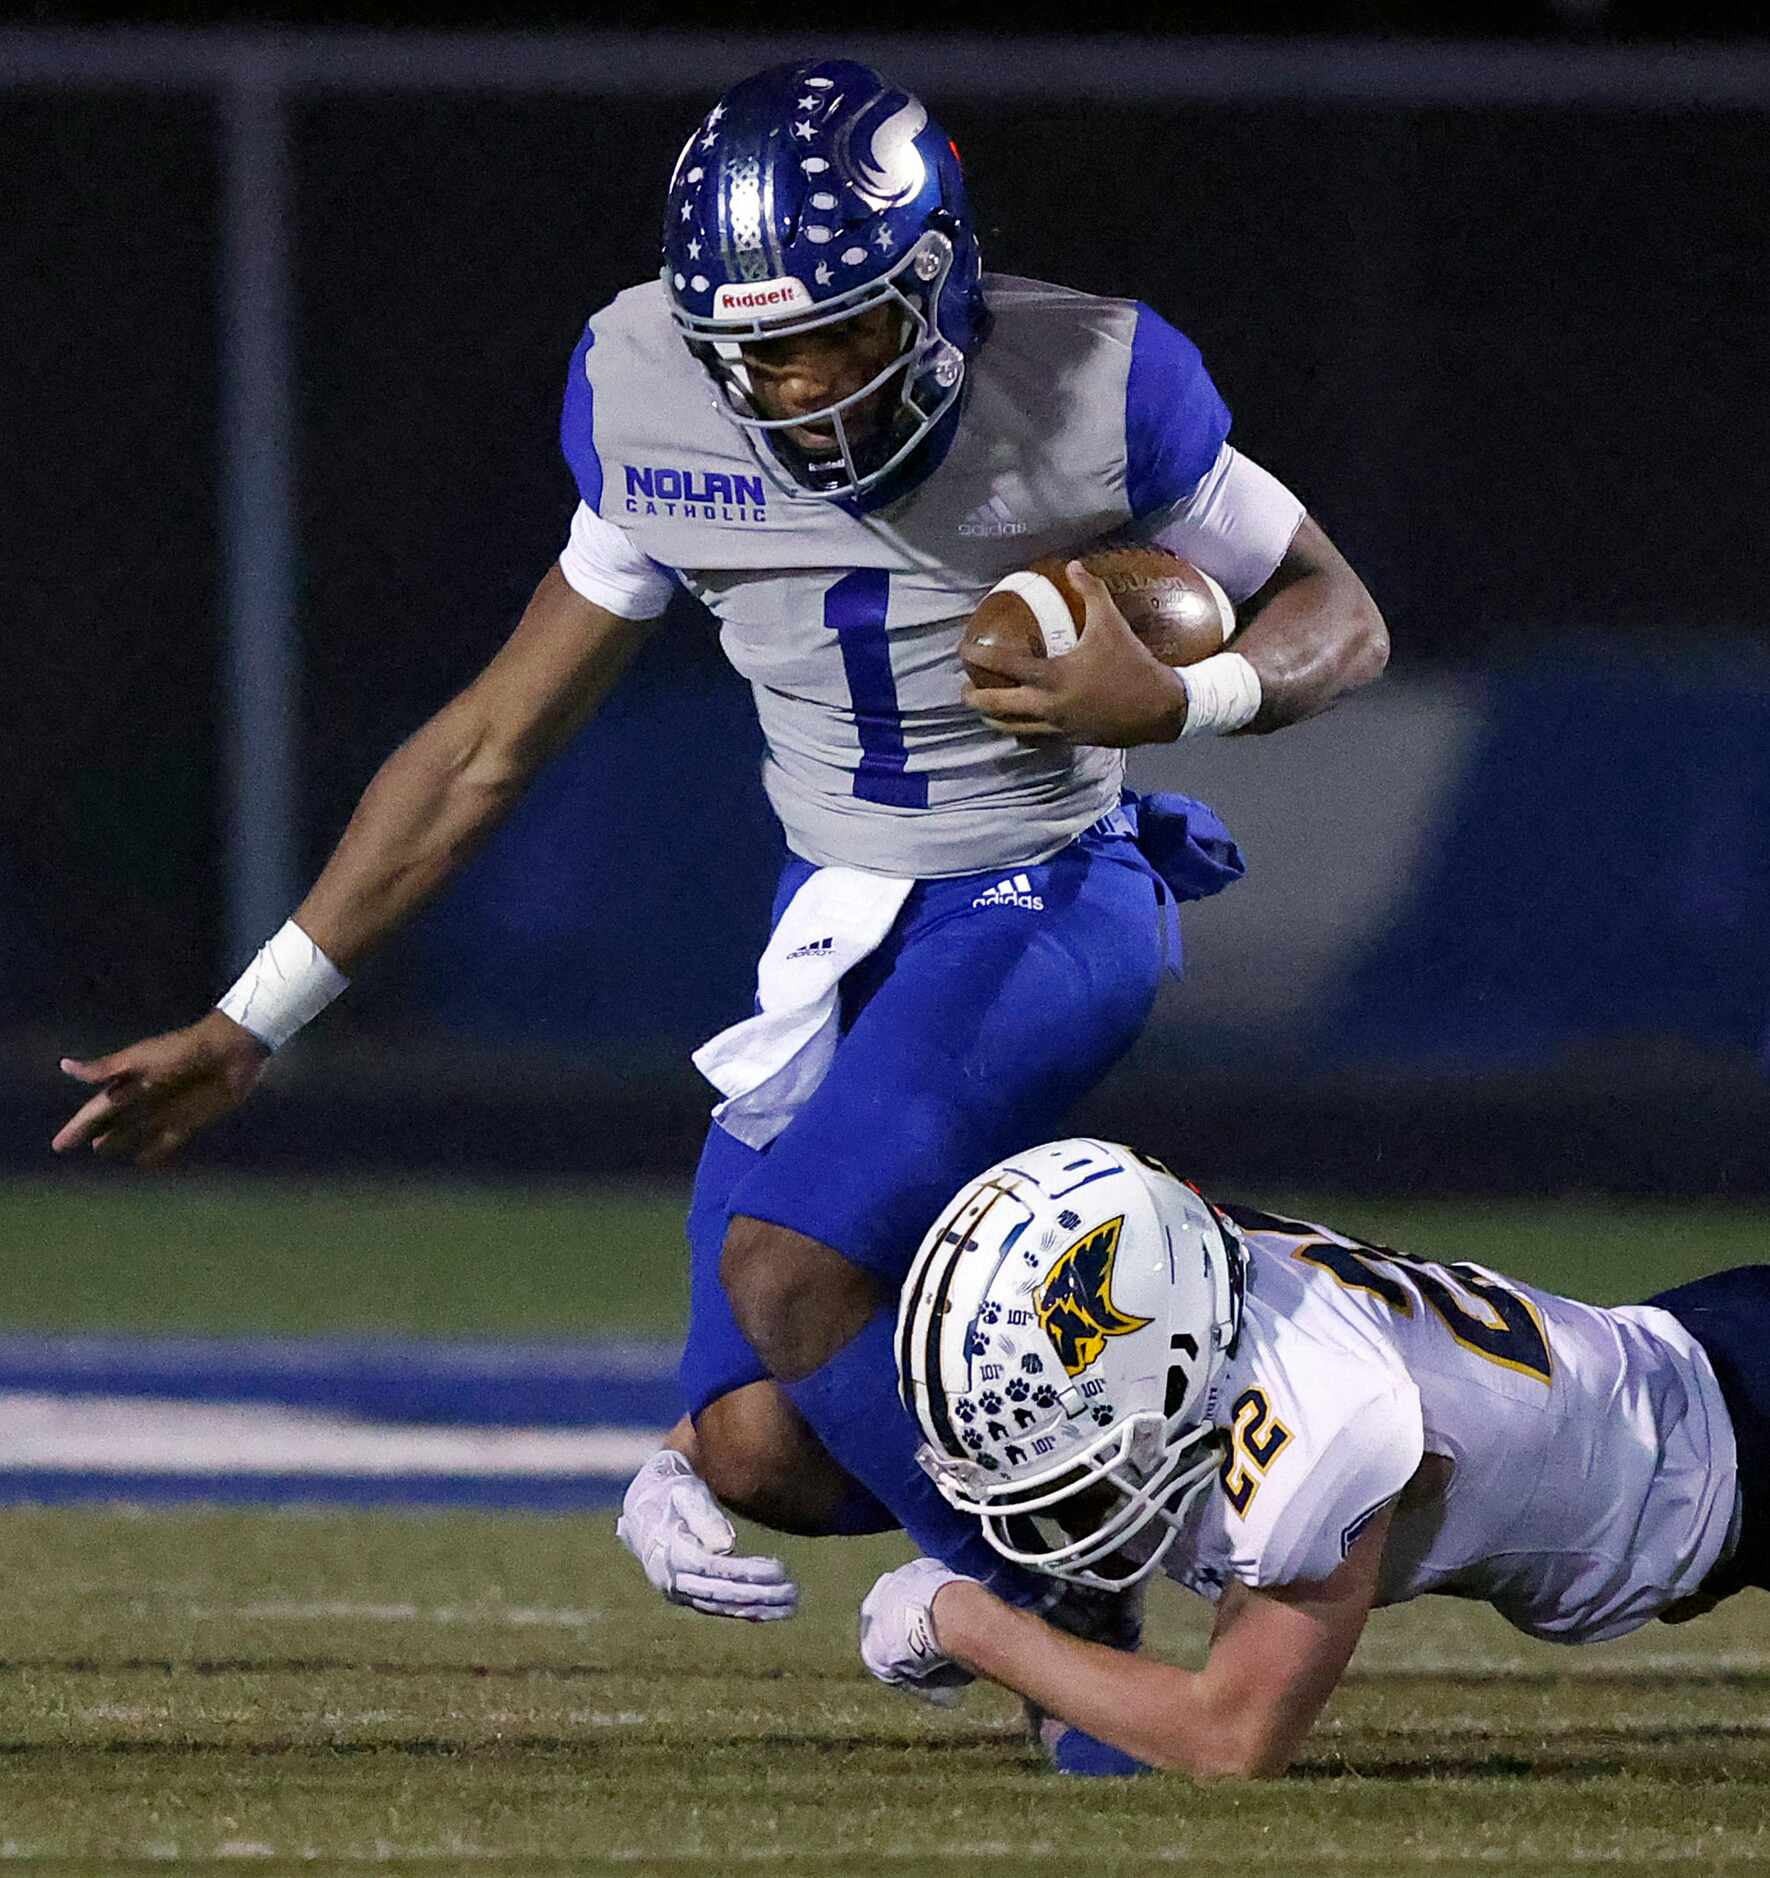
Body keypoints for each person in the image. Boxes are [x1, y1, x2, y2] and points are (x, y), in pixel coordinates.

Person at [52, 61, 1386, 1617]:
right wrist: (251, 1016)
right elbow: (490, 742)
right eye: (760, 352)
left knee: (788, 1265)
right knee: (755, 1443)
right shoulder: (647, 392)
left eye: (838, 334)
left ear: (940, 286)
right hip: (832, 916)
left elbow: (1336, 617)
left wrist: (1180, 698)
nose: (801, 389)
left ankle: (1066, 1638)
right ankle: (1155, 1430)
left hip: (1047, 883)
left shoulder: (1097, 379)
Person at [860, 1138, 1764, 1776]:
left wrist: (966, 1622)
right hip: (1701, 1367)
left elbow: (1229, 1742)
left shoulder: (1321, 1415)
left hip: (1738, 1447)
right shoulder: (1199, 1270)